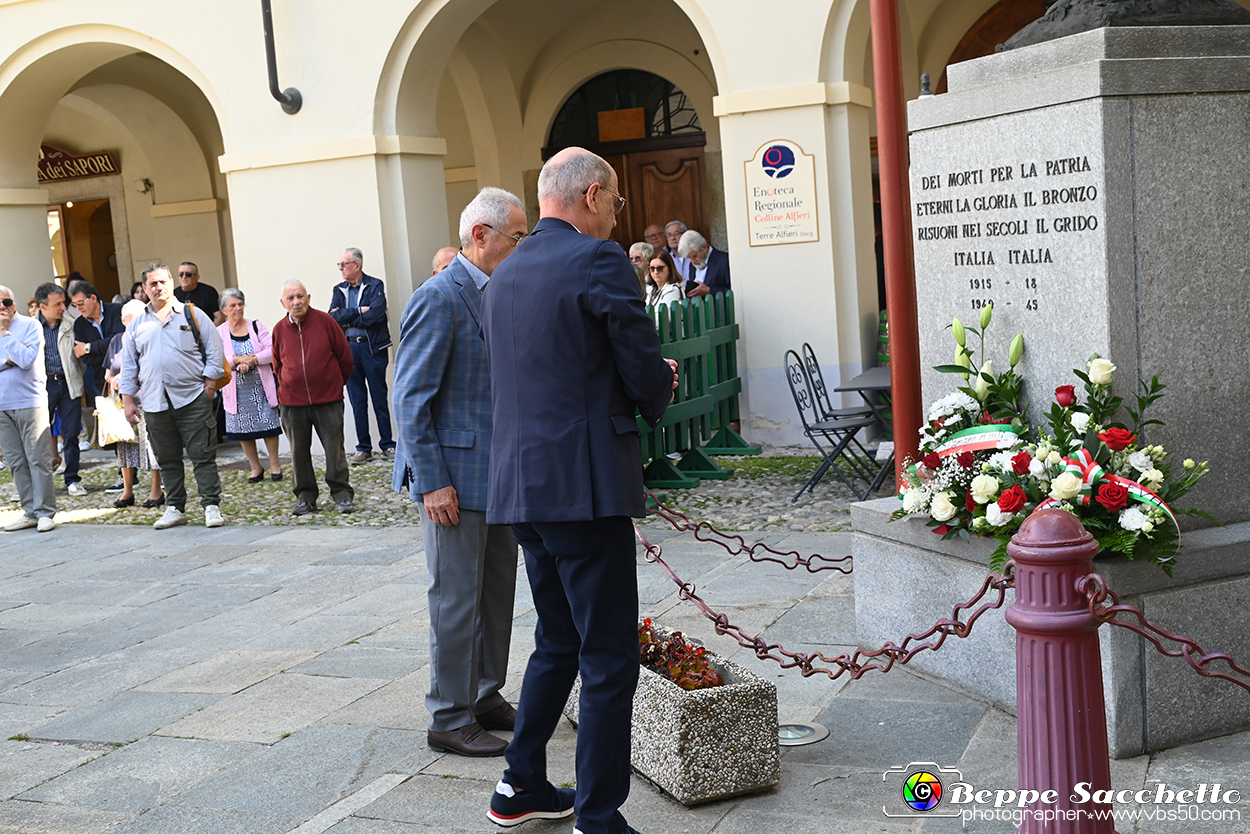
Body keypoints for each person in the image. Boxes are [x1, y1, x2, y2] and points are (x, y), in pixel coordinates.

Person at [482, 147, 677, 834]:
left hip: (522, 491)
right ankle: (599, 815)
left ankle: (520, 783)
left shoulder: (501, 275)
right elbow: (640, 366)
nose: (616, 214)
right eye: (618, 201)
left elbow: (544, 371)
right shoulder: (598, 261)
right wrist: (663, 385)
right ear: (592, 195)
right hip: (583, 490)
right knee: (607, 655)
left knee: (559, 640)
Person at [393, 187, 528, 758]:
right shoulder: (439, 297)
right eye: (517, 237)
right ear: (481, 235)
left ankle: (484, 693)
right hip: (453, 480)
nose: (522, 246)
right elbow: (410, 399)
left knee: (495, 595)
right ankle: (448, 715)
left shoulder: (497, 291)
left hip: (498, 475)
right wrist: (432, 482)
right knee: (454, 602)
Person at [119, 264, 226, 530]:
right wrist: (128, 400)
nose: (159, 287)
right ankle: (175, 507)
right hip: (155, 401)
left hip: (192, 398)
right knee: (167, 459)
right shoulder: (137, 326)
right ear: (144, 289)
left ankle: (211, 506)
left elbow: (215, 349)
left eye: (163, 282)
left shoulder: (193, 314)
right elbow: (129, 365)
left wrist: (210, 387)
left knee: (202, 454)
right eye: (152, 284)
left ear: (171, 283)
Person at [272, 280, 355, 516]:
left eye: (300, 296)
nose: (296, 302)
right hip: (292, 403)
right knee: (298, 452)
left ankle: (342, 494)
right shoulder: (279, 329)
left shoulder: (326, 322)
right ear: (283, 303)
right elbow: (278, 364)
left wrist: (334, 385)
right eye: (291, 298)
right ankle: (305, 497)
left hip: (327, 400)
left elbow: (345, 358)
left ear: (308, 298)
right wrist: (289, 385)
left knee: (334, 450)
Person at [329, 248, 395, 464]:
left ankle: (387, 444)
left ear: (356, 265)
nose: (340, 268)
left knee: (379, 397)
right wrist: (359, 311)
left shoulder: (375, 285)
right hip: (349, 349)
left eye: (343, 264)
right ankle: (363, 447)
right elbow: (334, 317)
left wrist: (349, 316)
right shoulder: (338, 289)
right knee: (357, 400)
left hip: (372, 349)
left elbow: (376, 315)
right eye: (339, 264)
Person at [0, 284, 57, 532]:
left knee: (38, 459)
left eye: (6, 303)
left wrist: (5, 334)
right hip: (2, 404)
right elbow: (11, 361)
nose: (2, 308)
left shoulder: (31, 325)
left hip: (29, 401)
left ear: (14, 304)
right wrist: (6, 362)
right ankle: (30, 510)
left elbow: (24, 360)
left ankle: (45, 512)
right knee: (15, 461)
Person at [217, 288, 283, 482]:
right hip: (235, 390)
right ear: (224, 310)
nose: (238, 308)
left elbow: (273, 350)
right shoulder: (219, 332)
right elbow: (215, 359)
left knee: (268, 426)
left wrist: (253, 359)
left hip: (260, 387)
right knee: (242, 429)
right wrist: (236, 360)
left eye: (240, 304)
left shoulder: (255, 326)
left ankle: (274, 464)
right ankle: (255, 467)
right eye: (232, 306)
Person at [102, 299, 162, 509]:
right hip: (121, 401)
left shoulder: (151, 338)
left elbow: (153, 367)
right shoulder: (117, 341)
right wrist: (114, 379)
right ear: (123, 321)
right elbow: (108, 371)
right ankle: (128, 491)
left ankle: (157, 490)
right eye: (132, 319)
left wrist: (130, 378)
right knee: (125, 446)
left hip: (147, 398)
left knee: (151, 446)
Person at [34, 283, 86, 497]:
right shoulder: (30, 327)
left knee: (71, 433)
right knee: (38, 435)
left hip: (67, 383)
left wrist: (76, 375)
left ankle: (72, 479)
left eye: (64, 302)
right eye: (58, 304)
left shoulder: (72, 324)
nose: (63, 307)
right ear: (42, 306)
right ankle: (41, 483)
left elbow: (81, 356)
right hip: (41, 386)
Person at [678, 229, 730, 297]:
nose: (693, 261)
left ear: (704, 248)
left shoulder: (724, 260)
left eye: (694, 256)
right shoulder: (692, 265)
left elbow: (734, 290)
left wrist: (709, 290)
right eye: (689, 258)